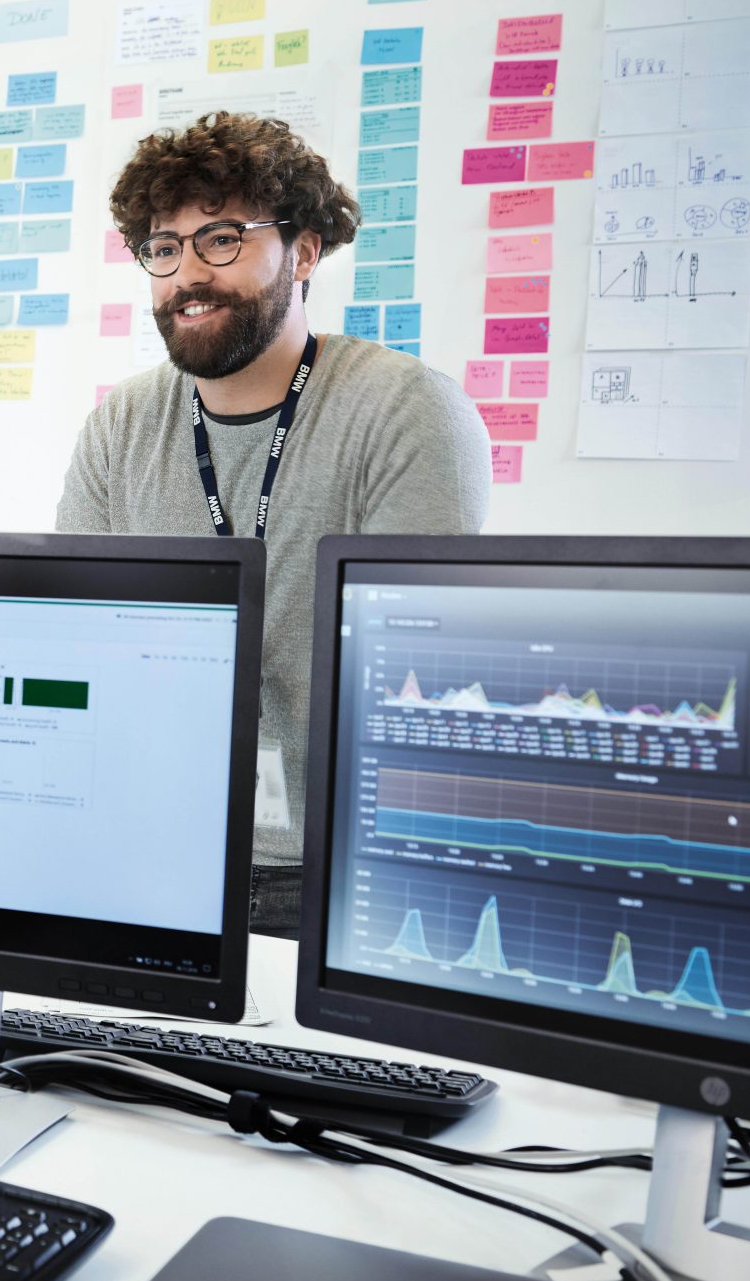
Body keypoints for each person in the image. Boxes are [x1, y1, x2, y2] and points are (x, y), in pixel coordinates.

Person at [57, 113, 490, 938]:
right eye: (163, 247)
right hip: (157, 860)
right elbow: (87, 649)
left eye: (222, 239)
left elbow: (422, 691)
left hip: (343, 877)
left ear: (303, 251)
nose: (187, 274)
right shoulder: (121, 429)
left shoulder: (407, 415)